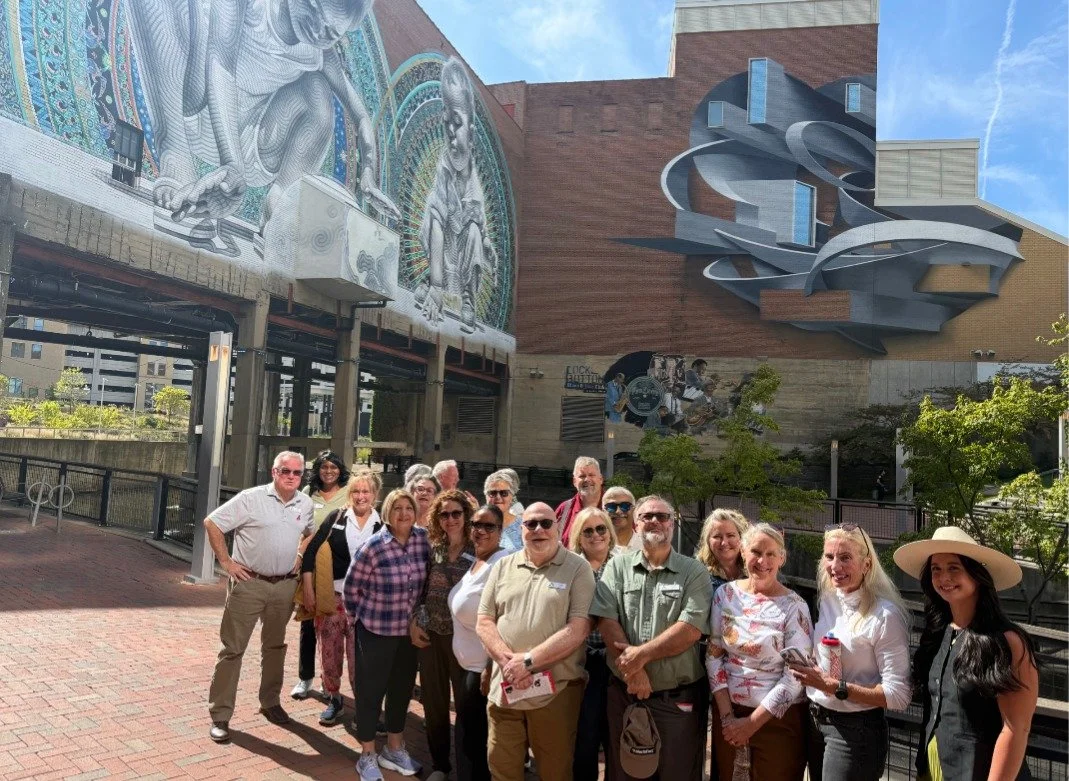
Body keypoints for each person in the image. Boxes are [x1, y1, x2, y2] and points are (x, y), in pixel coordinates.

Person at [893, 526, 1038, 781]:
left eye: (954, 568)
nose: (943, 577)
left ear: (977, 574)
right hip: (931, 767)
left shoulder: (1007, 642)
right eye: (936, 569)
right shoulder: (938, 633)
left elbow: (1016, 729)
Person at [593, 496, 713, 781]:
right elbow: (606, 619)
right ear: (636, 524)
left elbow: (690, 629)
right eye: (647, 516)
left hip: (676, 702)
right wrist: (633, 672)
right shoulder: (616, 568)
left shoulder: (693, 571)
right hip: (625, 696)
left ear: (673, 524)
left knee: (678, 773)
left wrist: (639, 658)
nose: (655, 521)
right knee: (623, 773)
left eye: (662, 516)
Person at [477, 503, 595, 781]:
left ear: (557, 527)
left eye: (545, 523)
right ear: (522, 530)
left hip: (554, 693)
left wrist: (527, 662)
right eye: (531, 524)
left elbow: (578, 629)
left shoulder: (578, 569)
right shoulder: (503, 566)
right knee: (502, 771)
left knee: (555, 773)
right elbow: (484, 621)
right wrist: (510, 664)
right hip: (505, 690)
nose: (539, 530)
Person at [204, 451, 315, 743]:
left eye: (297, 473)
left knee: (275, 646)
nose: (292, 477)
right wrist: (226, 563)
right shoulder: (250, 498)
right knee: (232, 649)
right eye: (286, 471)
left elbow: (310, 532)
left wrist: (301, 553)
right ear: (273, 472)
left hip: (285, 586)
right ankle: (221, 715)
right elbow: (212, 523)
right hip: (249, 583)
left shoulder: (305, 503)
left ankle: (270, 702)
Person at [787, 523, 911, 781]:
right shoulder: (829, 599)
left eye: (845, 558)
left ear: (866, 565)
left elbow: (899, 696)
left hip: (855, 731)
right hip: (815, 720)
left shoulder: (885, 615)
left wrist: (834, 686)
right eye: (829, 557)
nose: (835, 566)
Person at [707, 523, 813, 781]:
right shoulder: (725, 594)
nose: (762, 561)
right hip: (729, 717)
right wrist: (728, 718)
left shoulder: (795, 607)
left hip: (776, 722)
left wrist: (751, 724)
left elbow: (795, 676)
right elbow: (714, 656)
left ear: (782, 558)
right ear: (743, 552)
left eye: (770, 554)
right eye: (755, 551)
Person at [344, 489, 431, 781]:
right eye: (397, 508)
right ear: (388, 513)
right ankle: (367, 753)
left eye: (409, 507)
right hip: (375, 631)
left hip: (408, 635)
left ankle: (394, 748)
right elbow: (351, 588)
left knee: (401, 691)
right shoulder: (373, 546)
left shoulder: (423, 541)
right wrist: (358, 621)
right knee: (371, 693)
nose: (404, 513)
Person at [414, 56, 497, 333]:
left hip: (463, 242)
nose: (451, 130)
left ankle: (468, 298)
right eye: (447, 121)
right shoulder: (442, 168)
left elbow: (479, 219)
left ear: (471, 134)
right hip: (444, 240)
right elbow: (436, 220)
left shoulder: (472, 173)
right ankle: (432, 281)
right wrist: (438, 285)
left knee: (474, 231)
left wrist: (487, 243)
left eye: (457, 123)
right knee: (431, 212)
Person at [297, 468, 384, 726]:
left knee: (362, 659)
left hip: (366, 604)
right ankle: (334, 699)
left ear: (374, 495)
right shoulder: (336, 518)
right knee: (330, 652)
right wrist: (309, 591)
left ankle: (365, 708)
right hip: (332, 598)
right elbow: (311, 552)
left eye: (365, 491)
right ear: (349, 494)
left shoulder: (382, 525)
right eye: (355, 491)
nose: (360, 496)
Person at [411, 491, 475, 781]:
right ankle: (440, 765)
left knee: (465, 705)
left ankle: (466, 766)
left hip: (464, 640)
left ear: (466, 516)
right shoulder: (433, 547)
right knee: (434, 703)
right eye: (444, 514)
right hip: (431, 636)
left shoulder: (479, 549)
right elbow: (420, 590)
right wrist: (415, 621)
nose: (450, 520)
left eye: (456, 514)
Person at [449, 505, 509, 781]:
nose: (480, 531)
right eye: (476, 524)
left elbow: (507, 621)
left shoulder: (503, 564)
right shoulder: (477, 560)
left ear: (501, 530)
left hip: (482, 670)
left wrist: (489, 666)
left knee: (474, 745)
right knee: (468, 739)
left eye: (489, 526)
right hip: (465, 667)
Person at [291, 450, 351, 701]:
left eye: (334, 467)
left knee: (332, 629)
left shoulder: (350, 492)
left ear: (340, 470)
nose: (329, 471)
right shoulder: (307, 493)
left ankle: (330, 682)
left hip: (339, 568)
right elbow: (300, 528)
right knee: (308, 623)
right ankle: (305, 678)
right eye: (324, 467)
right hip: (311, 566)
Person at [568, 507, 617, 781]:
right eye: (588, 530)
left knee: (614, 734)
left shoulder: (623, 565)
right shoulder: (571, 567)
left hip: (613, 658)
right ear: (579, 535)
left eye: (601, 528)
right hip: (580, 659)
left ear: (609, 532)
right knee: (584, 736)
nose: (595, 535)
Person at [695, 508, 749, 592]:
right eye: (717, 536)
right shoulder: (696, 574)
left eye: (730, 535)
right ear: (708, 541)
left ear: (741, 537)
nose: (724, 543)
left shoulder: (755, 570)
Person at [556, 456, 605, 544]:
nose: (587, 479)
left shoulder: (613, 507)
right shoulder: (564, 510)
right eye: (582, 476)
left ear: (601, 479)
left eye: (591, 475)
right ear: (574, 482)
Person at [485, 469, 523, 551]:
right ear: (486, 496)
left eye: (504, 493)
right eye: (493, 493)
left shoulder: (525, 527)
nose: (498, 497)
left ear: (512, 497)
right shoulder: (474, 525)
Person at [603, 486, 642, 554]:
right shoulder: (597, 547)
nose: (618, 511)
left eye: (625, 506)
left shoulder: (647, 546)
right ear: (603, 512)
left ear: (634, 510)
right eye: (611, 506)